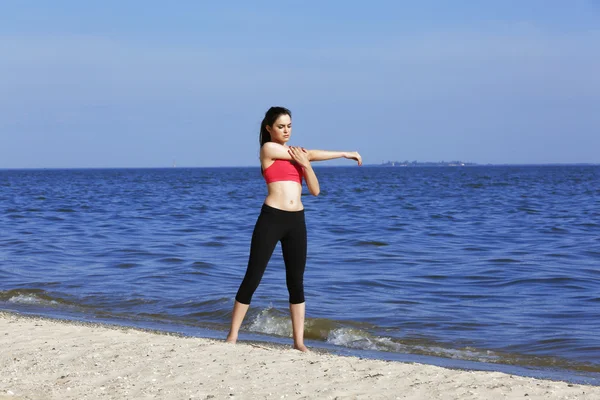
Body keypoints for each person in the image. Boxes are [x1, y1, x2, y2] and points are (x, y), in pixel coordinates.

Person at [226, 106, 362, 351]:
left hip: (296, 221)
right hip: (271, 218)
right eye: (281, 126)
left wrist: (327, 159)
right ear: (269, 128)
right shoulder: (269, 149)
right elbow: (309, 153)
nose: (286, 130)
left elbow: (315, 191)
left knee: (296, 282)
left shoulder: (298, 156)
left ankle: (298, 342)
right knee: (253, 277)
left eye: (289, 126)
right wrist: (329, 155)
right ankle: (232, 336)